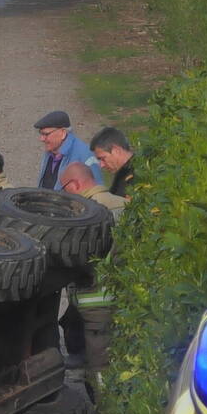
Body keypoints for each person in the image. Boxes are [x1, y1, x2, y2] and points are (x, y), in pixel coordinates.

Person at [56, 162, 125, 396]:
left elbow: (83, 261)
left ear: (74, 184)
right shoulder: (123, 205)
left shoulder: (85, 215)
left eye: (64, 188)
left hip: (95, 304)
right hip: (121, 301)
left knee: (99, 370)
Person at [33, 110, 102, 190]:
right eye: (41, 134)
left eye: (46, 134)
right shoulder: (51, 150)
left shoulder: (86, 155)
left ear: (63, 133)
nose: (42, 139)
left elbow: (96, 191)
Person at [90, 126, 135, 197]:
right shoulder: (123, 171)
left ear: (116, 151)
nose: (101, 165)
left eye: (103, 158)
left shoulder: (137, 175)